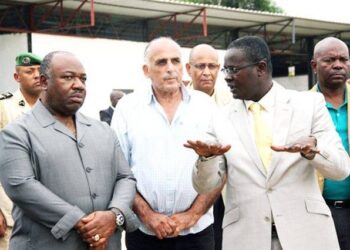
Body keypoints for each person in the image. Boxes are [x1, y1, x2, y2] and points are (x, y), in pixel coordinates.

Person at [185, 36, 350, 250]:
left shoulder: (308, 105)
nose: (226, 78)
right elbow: (204, 186)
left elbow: (341, 168)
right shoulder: (219, 118)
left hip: (307, 235)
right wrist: (206, 158)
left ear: (261, 68)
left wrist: (313, 151)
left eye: (233, 70)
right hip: (247, 239)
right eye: (226, 70)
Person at [0, 51, 139, 250]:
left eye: (83, 79)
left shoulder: (103, 131)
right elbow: (21, 186)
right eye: (68, 77)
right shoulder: (17, 133)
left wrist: (113, 216)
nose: (79, 85)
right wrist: (84, 223)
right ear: (44, 82)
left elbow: (125, 178)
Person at [111, 37, 222, 250]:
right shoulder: (127, 108)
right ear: (146, 70)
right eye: (161, 62)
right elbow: (118, 171)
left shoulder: (206, 106)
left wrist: (192, 215)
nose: (170, 69)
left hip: (197, 233)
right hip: (145, 234)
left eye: (175, 61)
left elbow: (220, 168)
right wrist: (147, 215)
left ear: (184, 66)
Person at [186, 43, 231, 250]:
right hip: (188, 189)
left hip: (223, 193)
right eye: (200, 66)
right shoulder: (176, 101)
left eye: (212, 66)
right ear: (188, 69)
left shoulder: (232, 101)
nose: (206, 72)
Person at [310, 37, 350, 249]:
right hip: (319, 211)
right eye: (330, 59)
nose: (338, 64)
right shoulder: (299, 106)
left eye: (344, 59)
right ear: (314, 66)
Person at [0, 52, 42, 250]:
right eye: (29, 71)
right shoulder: (4, 107)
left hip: (46, 210)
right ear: (17, 77)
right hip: (9, 208)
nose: (36, 75)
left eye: (40, 71)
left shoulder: (52, 109)